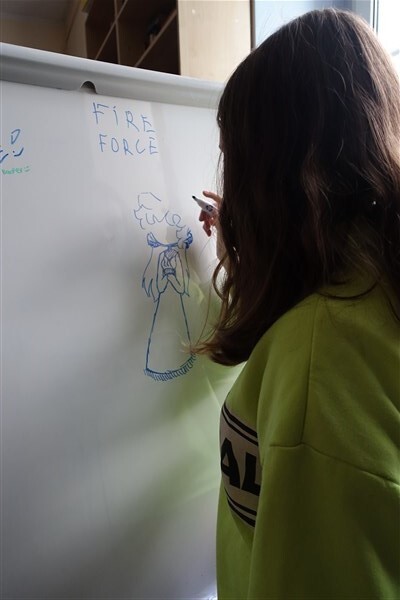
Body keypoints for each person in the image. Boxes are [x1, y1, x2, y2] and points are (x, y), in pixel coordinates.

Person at [196, 8, 400, 599]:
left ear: (269, 179)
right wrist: (248, 253)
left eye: (235, 161)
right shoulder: (371, 281)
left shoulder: (322, 362)